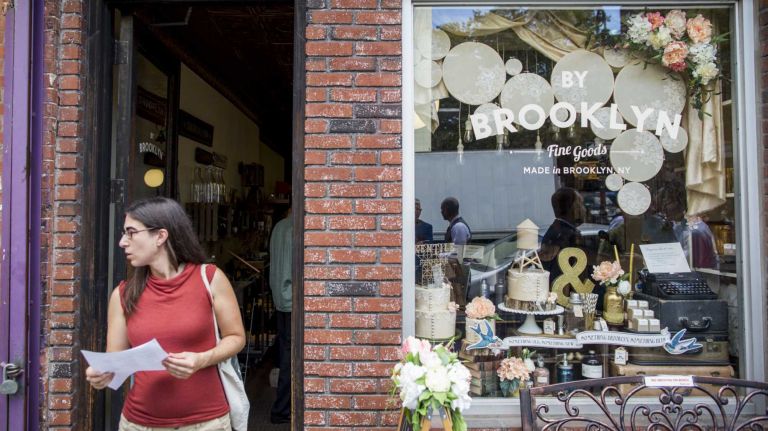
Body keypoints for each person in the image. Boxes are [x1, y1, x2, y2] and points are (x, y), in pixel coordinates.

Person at [85, 197, 246, 430]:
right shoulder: (122, 294)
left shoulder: (209, 278)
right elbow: (116, 362)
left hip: (207, 423)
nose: (122, 242)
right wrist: (102, 375)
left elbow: (236, 337)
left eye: (131, 233)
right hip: (139, 424)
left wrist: (202, 359)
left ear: (160, 236)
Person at [269, 205, 292, 424]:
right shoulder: (296, 228)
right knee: (290, 357)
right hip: (292, 301)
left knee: (285, 353)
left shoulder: (277, 228)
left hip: (279, 299)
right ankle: (282, 408)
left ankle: (282, 407)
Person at [540, 187, 586, 285]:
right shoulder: (567, 235)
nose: (584, 209)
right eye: (581, 204)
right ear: (572, 208)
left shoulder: (557, 230)